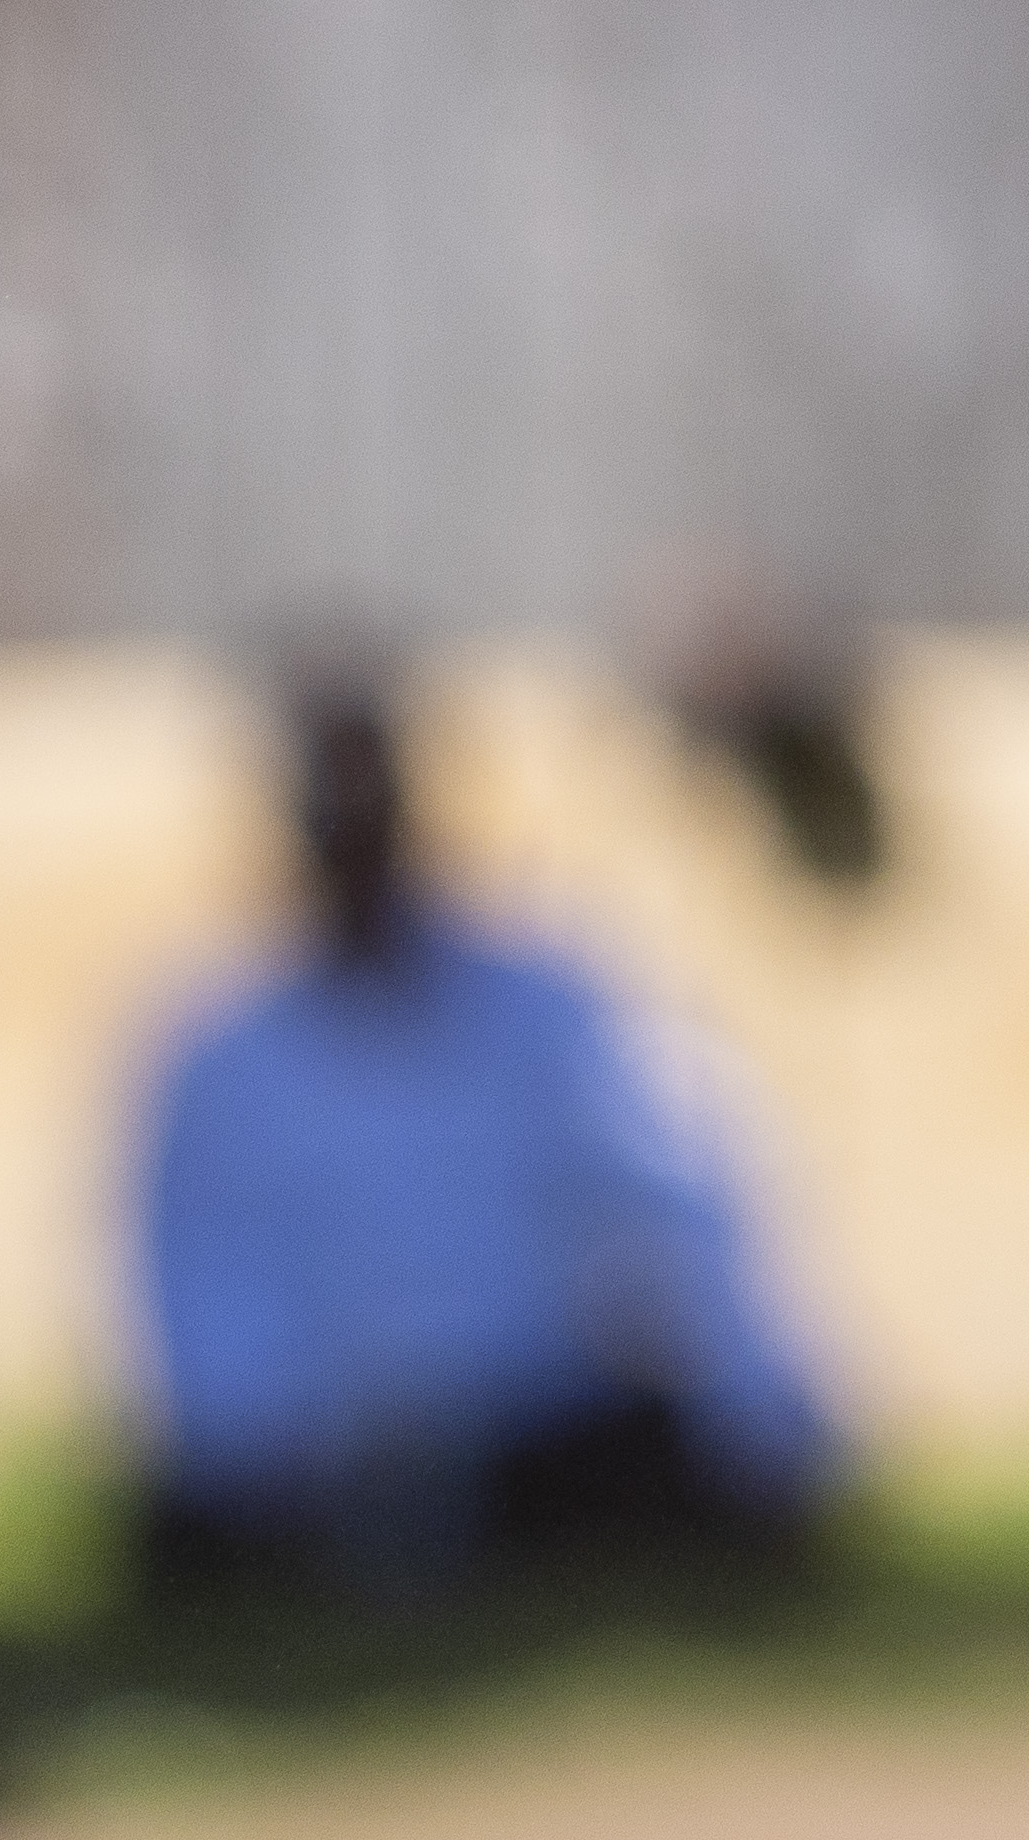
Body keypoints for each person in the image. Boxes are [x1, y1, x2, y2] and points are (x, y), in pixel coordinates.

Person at [130, 678, 839, 1598]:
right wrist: (255, 1451)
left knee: (647, 1470)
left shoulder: (547, 1006)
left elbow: (677, 1193)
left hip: (529, 1429)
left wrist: (759, 1415)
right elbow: (190, 1282)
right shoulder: (217, 1050)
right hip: (311, 1458)